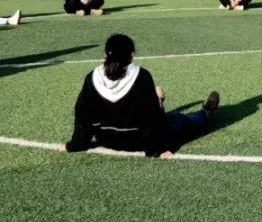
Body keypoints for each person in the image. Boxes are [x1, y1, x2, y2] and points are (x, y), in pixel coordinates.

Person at [63, 33, 220, 155]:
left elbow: (82, 114)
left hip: (107, 139)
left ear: (105, 54)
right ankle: (205, 113)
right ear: (131, 55)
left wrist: (76, 144)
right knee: (178, 120)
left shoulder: (92, 77)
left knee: (164, 114)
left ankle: (165, 103)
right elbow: (151, 117)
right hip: (137, 141)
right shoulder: (141, 76)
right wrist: (158, 149)